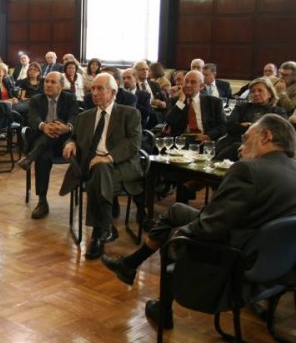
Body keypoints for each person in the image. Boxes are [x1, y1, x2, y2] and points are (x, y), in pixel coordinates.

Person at [100, 114, 296, 328]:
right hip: (272, 261)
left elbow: (210, 227)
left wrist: (181, 233)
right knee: (176, 210)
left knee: (172, 237)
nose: (241, 147)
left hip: (232, 255)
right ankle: (130, 264)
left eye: (246, 139)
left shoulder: (248, 170)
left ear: (266, 136)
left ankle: (163, 309)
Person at [59, 74, 143, 259]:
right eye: (93, 89)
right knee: (98, 170)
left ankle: (98, 233)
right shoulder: (85, 116)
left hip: (120, 167)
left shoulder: (129, 114)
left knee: (100, 169)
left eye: (100, 89)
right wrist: (70, 143)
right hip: (89, 165)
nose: (94, 93)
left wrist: (109, 157)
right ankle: (106, 227)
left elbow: (133, 143)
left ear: (113, 92)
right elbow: (74, 136)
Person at [17, 71, 79, 218]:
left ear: (61, 85)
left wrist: (67, 127)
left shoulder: (70, 98)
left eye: (53, 82)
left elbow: (75, 116)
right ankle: (42, 201)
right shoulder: (37, 99)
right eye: (46, 82)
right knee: (43, 157)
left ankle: (30, 158)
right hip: (42, 142)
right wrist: (44, 126)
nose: (48, 85)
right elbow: (32, 118)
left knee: (59, 124)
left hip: (64, 144)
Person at [216, 77, 287, 160]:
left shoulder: (278, 112)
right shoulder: (242, 107)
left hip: (263, 148)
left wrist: (247, 126)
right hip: (236, 142)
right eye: (253, 91)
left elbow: (279, 133)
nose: (256, 94)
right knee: (234, 147)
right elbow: (230, 127)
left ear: (269, 93)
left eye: (260, 90)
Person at [165, 70, 226, 143]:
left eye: (193, 82)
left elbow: (223, 126)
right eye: (186, 81)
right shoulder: (176, 102)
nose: (188, 85)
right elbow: (169, 121)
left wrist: (208, 136)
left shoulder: (214, 102)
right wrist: (181, 101)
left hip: (205, 140)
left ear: (201, 86)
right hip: (182, 141)